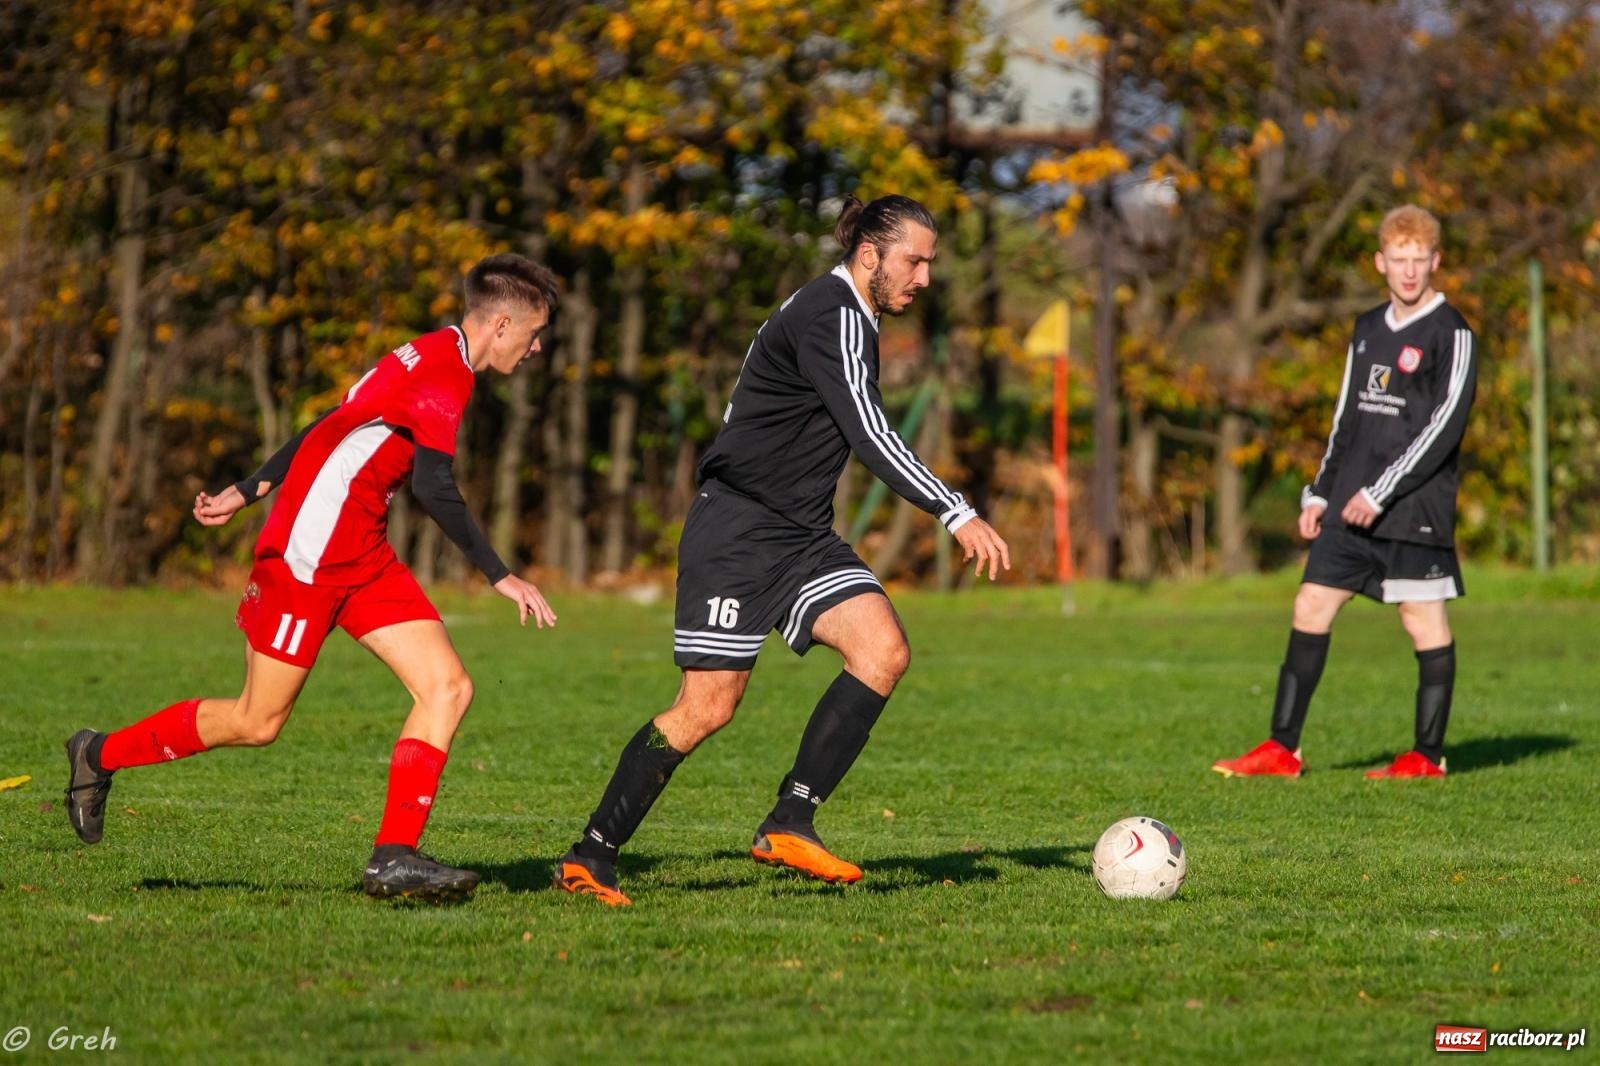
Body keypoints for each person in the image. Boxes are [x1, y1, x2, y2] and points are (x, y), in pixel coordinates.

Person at [553, 194, 1010, 906]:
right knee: (707, 707)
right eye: (914, 260)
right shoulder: (832, 315)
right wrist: (954, 510)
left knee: (882, 651)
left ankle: (790, 822)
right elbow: (871, 432)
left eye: (930, 263)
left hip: (799, 536)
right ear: (870, 256)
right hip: (737, 532)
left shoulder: (852, 316)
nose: (923, 277)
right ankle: (591, 854)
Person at [64, 253, 562, 900]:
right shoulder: (443, 373)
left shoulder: (426, 351)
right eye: (534, 332)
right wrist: (501, 576)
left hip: (364, 554)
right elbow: (436, 487)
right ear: (501, 324)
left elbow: (333, 418)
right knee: (257, 721)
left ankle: (393, 856)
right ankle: (97, 754)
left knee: (448, 687)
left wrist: (249, 488)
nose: (537, 346)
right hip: (310, 557)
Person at [1212, 205, 1477, 780]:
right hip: (1351, 505)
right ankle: (1282, 749)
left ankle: (1426, 757)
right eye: (1398, 261)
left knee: (1421, 622)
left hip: (1413, 510)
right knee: (1310, 604)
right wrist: (1319, 493)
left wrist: (1380, 492)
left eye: (1419, 261)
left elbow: (1444, 427)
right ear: (1381, 262)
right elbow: (1346, 421)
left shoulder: (1452, 333)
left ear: (1436, 262)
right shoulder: (1366, 329)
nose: (1408, 272)